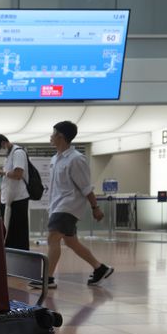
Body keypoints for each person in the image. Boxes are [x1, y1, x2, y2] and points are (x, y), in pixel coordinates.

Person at [29, 121, 114, 290]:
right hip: (57, 206)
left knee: (52, 238)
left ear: (60, 136)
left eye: (53, 133)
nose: (51, 137)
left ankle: (48, 278)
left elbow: (85, 187)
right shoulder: (55, 159)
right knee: (70, 242)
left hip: (68, 206)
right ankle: (100, 268)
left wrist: (95, 207)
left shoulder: (76, 159)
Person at [0, 133, 30, 250]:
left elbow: (18, 174)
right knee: (7, 234)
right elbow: (8, 182)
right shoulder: (8, 157)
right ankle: (10, 260)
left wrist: (0, 172)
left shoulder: (18, 152)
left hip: (17, 200)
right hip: (8, 200)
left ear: (3, 143)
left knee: (17, 235)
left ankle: (20, 261)